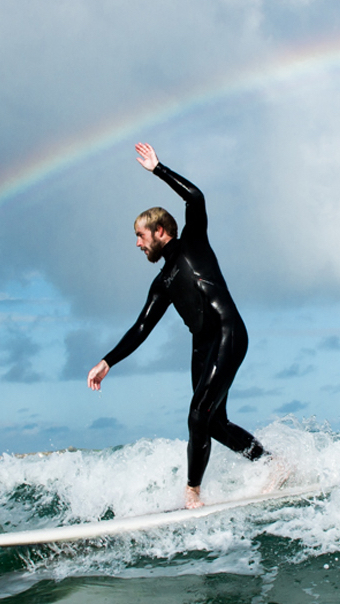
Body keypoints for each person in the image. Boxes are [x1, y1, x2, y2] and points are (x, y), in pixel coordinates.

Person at [87, 142, 269, 509]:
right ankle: (270, 464)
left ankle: (192, 494)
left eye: (140, 235)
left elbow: (196, 198)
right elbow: (141, 327)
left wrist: (158, 169)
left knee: (197, 413)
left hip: (228, 332)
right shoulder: (163, 281)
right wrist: (107, 362)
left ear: (160, 231)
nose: (137, 244)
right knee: (213, 423)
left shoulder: (194, 244)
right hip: (202, 348)